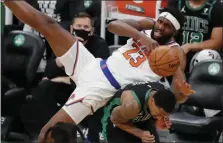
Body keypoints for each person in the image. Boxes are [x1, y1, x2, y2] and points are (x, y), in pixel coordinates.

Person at [3, 2, 195, 143]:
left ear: (174, 32)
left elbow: (178, 95)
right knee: (48, 25)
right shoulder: (147, 25)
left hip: (101, 88)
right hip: (93, 65)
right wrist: (139, 36)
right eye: (160, 21)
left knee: (49, 131)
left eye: (167, 26)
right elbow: (112, 26)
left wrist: (183, 91)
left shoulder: (174, 52)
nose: (160, 27)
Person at [101, 81, 178, 143]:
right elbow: (115, 121)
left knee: (151, 139)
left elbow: (169, 103)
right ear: (152, 101)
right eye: (159, 114)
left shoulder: (163, 93)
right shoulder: (132, 105)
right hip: (116, 120)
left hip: (140, 118)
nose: (159, 117)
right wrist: (139, 133)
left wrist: (164, 116)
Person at [168, 0, 223, 74]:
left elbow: (217, 42)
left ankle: (202, 83)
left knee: (207, 55)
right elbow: (167, 30)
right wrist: (174, 46)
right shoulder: (176, 2)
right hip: (178, 50)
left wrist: (189, 46)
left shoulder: (216, 6)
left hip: (200, 54)